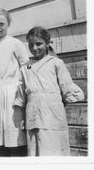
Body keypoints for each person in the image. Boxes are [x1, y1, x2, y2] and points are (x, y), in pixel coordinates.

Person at [17, 26, 84, 156]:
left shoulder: (56, 63)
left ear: (47, 43)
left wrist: (54, 103)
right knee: (36, 152)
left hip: (52, 115)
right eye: (31, 45)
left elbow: (67, 89)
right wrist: (23, 116)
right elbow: (22, 94)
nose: (35, 48)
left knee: (53, 149)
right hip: (33, 116)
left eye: (39, 44)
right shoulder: (26, 67)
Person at [0, 9, 29, 156]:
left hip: (11, 92)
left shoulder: (15, 43)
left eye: (1, 23)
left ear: (8, 24)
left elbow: (26, 68)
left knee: (13, 134)